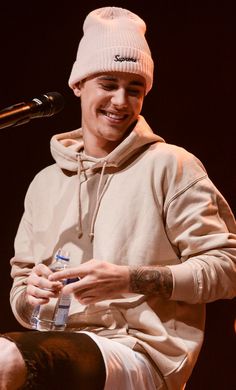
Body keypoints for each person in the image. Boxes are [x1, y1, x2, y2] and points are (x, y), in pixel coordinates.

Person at [0, 6, 236, 390]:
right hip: (63, 342)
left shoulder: (171, 165)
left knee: (6, 359)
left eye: (135, 89)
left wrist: (130, 279)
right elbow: (22, 294)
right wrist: (33, 296)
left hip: (142, 354)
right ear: (78, 84)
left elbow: (228, 267)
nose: (121, 102)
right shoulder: (45, 182)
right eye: (108, 84)